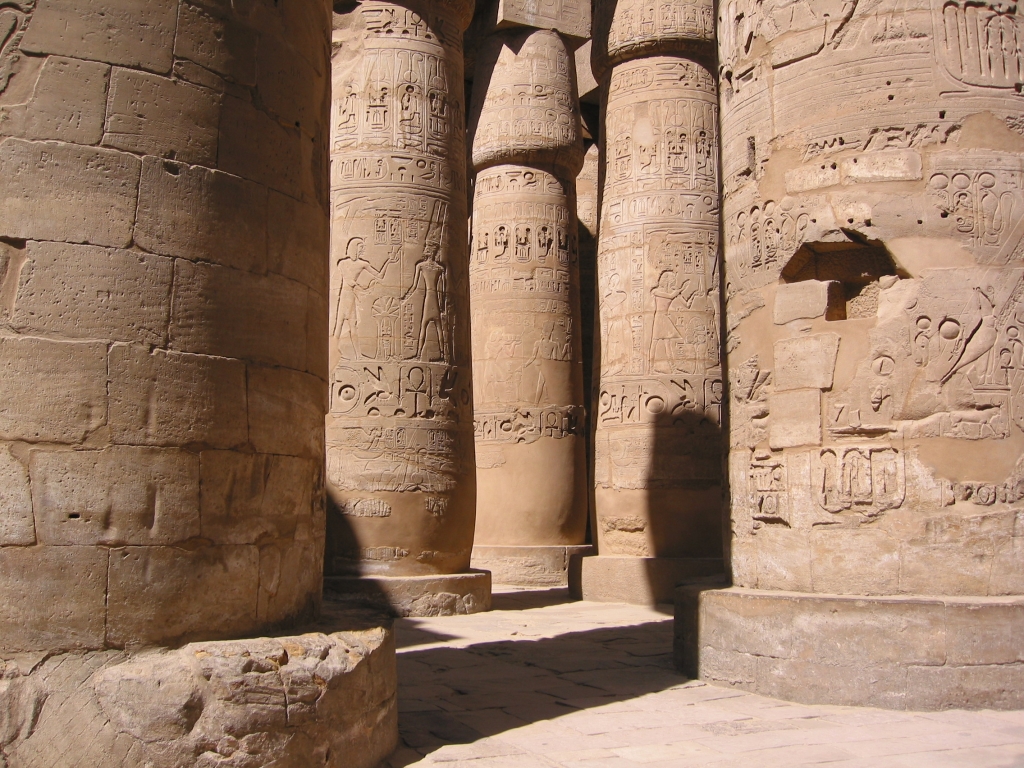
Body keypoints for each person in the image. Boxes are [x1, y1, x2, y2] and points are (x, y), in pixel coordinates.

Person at [333, 237, 398, 359]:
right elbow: (350, 281)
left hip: (351, 297)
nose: (362, 251)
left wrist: (389, 261)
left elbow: (379, 276)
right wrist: (364, 289)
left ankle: (358, 355)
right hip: (345, 296)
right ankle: (333, 351)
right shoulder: (343, 263)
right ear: (354, 248)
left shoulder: (363, 264)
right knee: (339, 325)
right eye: (361, 248)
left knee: (353, 326)